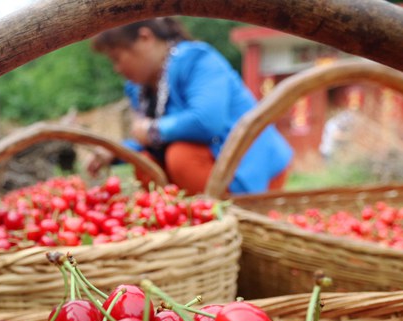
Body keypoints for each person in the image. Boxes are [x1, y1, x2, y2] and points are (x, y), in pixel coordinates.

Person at [86, 18, 293, 195]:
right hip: (206, 169)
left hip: (248, 169)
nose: (117, 68)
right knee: (146, 162)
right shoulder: (138, 89)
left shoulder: (197, 59)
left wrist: (152, 129)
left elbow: (206, 121)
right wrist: (115, 152)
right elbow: (149, 142)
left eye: (117, 58)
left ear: (145, 38)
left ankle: (224, 221)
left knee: (181, 156)